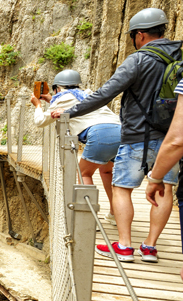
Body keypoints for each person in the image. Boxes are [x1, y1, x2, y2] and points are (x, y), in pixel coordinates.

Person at [51, 8, 181, 263]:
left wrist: (72, 111)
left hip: (136, 136)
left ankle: (124, 246)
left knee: (122, 189)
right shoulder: (179, 57)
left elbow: (105, 93)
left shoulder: (138, 60)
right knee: (165, 188)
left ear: (140, 35)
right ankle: (150, 247)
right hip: (172, 138)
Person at [31, 70, 121, 223]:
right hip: (121, 131)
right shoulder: (88, 94)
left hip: (100, 134)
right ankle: (114, 214)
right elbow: (75, 105)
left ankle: (90, 220)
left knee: (84, 173)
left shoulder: (61, 99)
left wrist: (38, 105)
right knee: (106, 171)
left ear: (58, 88)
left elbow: (40, 121)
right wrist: (52, 100)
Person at [144, 78, 183, 279]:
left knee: (164, 185)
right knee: (167, 187)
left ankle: (144, 245)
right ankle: (150, 243)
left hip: (149, 134)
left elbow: (177, 140)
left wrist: (154, 177)